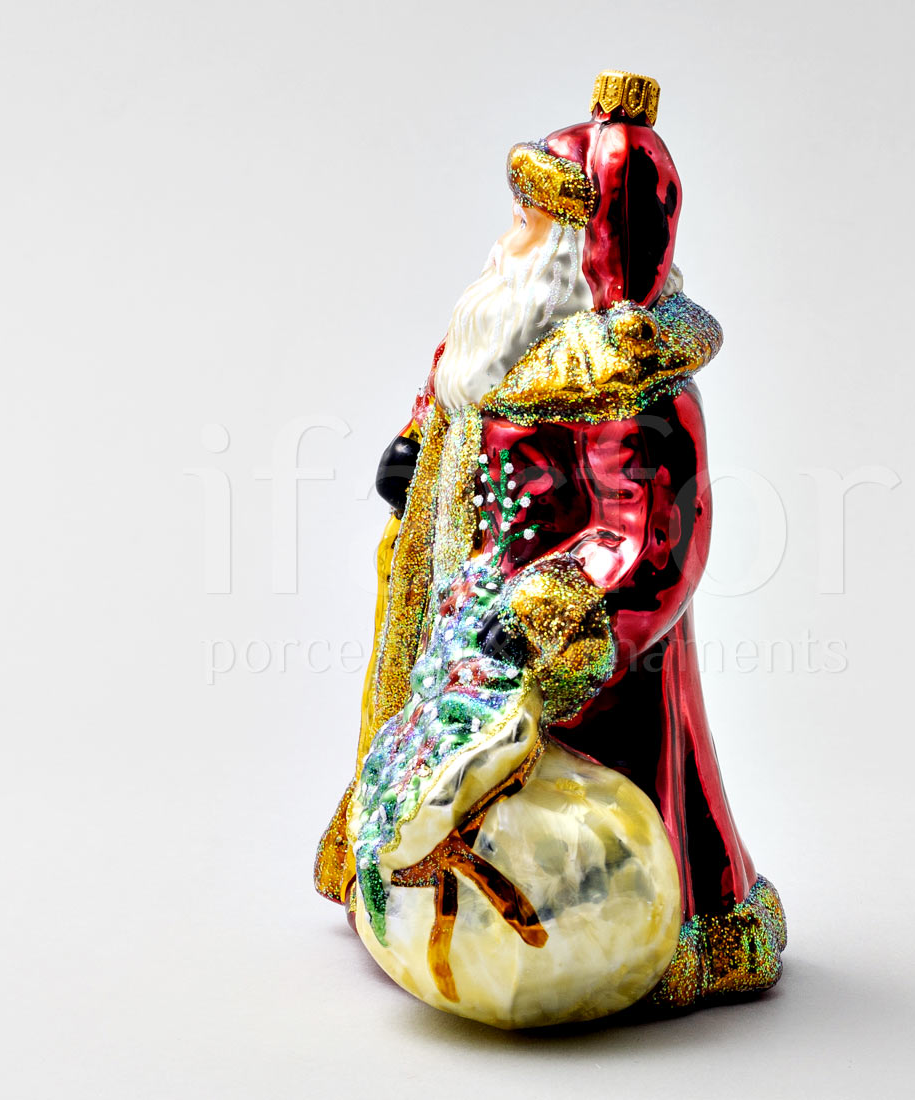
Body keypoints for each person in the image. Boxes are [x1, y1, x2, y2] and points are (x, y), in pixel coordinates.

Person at [313, 71, 785, 1026]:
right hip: (461, 598)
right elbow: (453, 396)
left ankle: (606, 932)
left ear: (580, 253)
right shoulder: (505, 328)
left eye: (530, 224)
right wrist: (414, 447)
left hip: (572, 651)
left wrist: (550, 613)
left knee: (593, 781)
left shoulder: (630, 390)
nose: (508, 240)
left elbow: (648, 534)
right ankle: (408, 888)